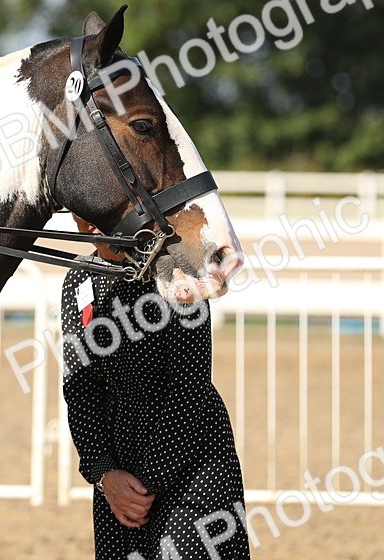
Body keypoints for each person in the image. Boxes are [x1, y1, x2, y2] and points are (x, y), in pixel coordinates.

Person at [62, 216, 250, 560]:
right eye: (78, 213)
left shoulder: (177, 272)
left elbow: (188, 387)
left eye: (96, 212)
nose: (87, 224)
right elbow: (79, 388)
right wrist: (105, 474)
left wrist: (142, 486)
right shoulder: (78, 278)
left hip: (190, 463)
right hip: (119, 475)